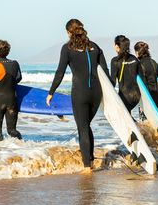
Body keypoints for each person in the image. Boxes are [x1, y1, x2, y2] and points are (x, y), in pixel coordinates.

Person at [47, 19, 111, 170]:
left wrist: (51, 92)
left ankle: (87, 167)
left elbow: (60, 72)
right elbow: (106, 74)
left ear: (69, 32)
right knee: (86, 126)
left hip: (80, 92)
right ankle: (90, 159)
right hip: (96, 93)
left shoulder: (67, 48)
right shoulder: (95, 47)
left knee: (82, 128)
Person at [0, 39, 23, 142]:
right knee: (12, 130)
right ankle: (22, 146)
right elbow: (19, 78)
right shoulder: (15, 64)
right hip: (12, 101)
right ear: (8, 51)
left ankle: (0, 155)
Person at [109, 35, 141, 113]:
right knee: (128, 115)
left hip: (125, 96)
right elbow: (141, 77)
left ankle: (134, 123)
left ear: (117, 46)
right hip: (137, 96)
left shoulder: (115, 61)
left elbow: (113, 81)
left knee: (124, 117)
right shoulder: (134, 59)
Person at [134, 41, 158, 112]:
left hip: (147, 99)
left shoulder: (138, 65)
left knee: (144, 122)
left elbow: (140, 84)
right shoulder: (154, 63)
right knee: (156, 122)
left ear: (138, 52)